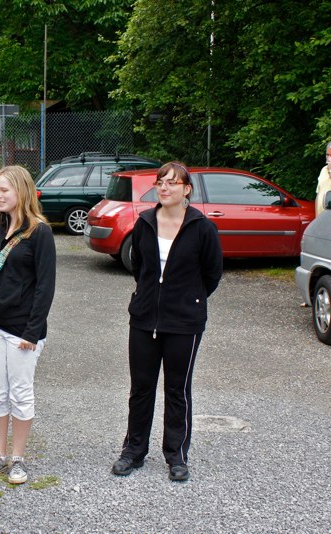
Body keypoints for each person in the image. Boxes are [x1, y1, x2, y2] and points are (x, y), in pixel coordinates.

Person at [112, 161, 223, 482]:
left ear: (186, 190)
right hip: (144, 319)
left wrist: (189, 300)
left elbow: (212, 274)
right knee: (141, 389)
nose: (164, 187)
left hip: (184, 323)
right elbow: (139, 267)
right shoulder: (145, 223)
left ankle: (176, 455)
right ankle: (133, 451)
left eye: (172, 182)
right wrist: (149, 297)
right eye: (160, 181)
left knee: (177, 390)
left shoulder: (201, 227)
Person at [0, 165, 56, 485]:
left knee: (20, 393)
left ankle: (18, 459)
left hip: (22, 332)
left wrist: (32, 331)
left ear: (21, 190)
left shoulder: (40, 233)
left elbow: (45, 287)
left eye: (4, 189)